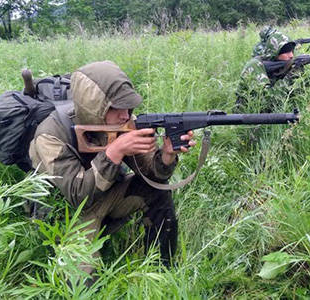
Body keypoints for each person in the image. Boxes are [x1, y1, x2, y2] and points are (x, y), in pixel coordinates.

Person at [28, 61, 195, 277]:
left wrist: (166, 155)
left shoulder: (122, 122)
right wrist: (114, 153)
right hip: (65, 214)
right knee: (83, 287)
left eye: (128, 107)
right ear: (96, 106)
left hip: (102, 199)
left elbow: (154, 176)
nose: (126, 115)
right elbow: (77, 197)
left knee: (158, 191)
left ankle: (163, 272)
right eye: (117, 108)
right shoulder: (50, 135)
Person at [235, 27, 296, 113]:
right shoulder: (254, 66)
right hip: (247, 118)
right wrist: (289, 76)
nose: (291, 55)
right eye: (286, 52)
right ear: (275, 52)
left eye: (292, 51)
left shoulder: (282, 65)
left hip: (270, 117)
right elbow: (268, 102)